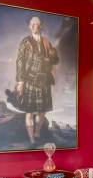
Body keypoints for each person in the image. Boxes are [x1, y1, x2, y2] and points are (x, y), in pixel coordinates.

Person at [14, 16, 59, 145]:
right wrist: (20, 81)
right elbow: (20, 62)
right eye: (33, 24)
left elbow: (56, 60)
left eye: (38, 24)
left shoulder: (46, 42)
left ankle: (37, 132)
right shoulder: (25, 42)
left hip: (44, 80)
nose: (35, 26)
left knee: (43, 110)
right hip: (29, 80)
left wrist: (49, 58)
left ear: (41, 26)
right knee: (29, 112)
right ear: (29, 26)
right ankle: (31, 138)